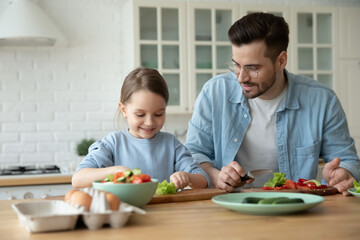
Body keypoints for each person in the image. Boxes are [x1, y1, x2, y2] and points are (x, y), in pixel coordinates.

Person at [185, 12, 360, 195]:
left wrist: (344, 174)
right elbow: (193, 154)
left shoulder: (323, 101)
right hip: (228, 205)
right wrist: (215, 175)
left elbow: (348, 161)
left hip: (295, 208)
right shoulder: (214, 92)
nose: (241, 77)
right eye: (237, 64)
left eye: (253, 68)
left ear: (281, 61)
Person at [72, 67, 209, 189]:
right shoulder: (112, 143)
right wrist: (116, 171)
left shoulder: (171, 144)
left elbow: (203, 180)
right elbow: (78, 179)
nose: (149, 122)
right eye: (140, 114)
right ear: (124, 110)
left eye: (158, 114)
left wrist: (187, 177)